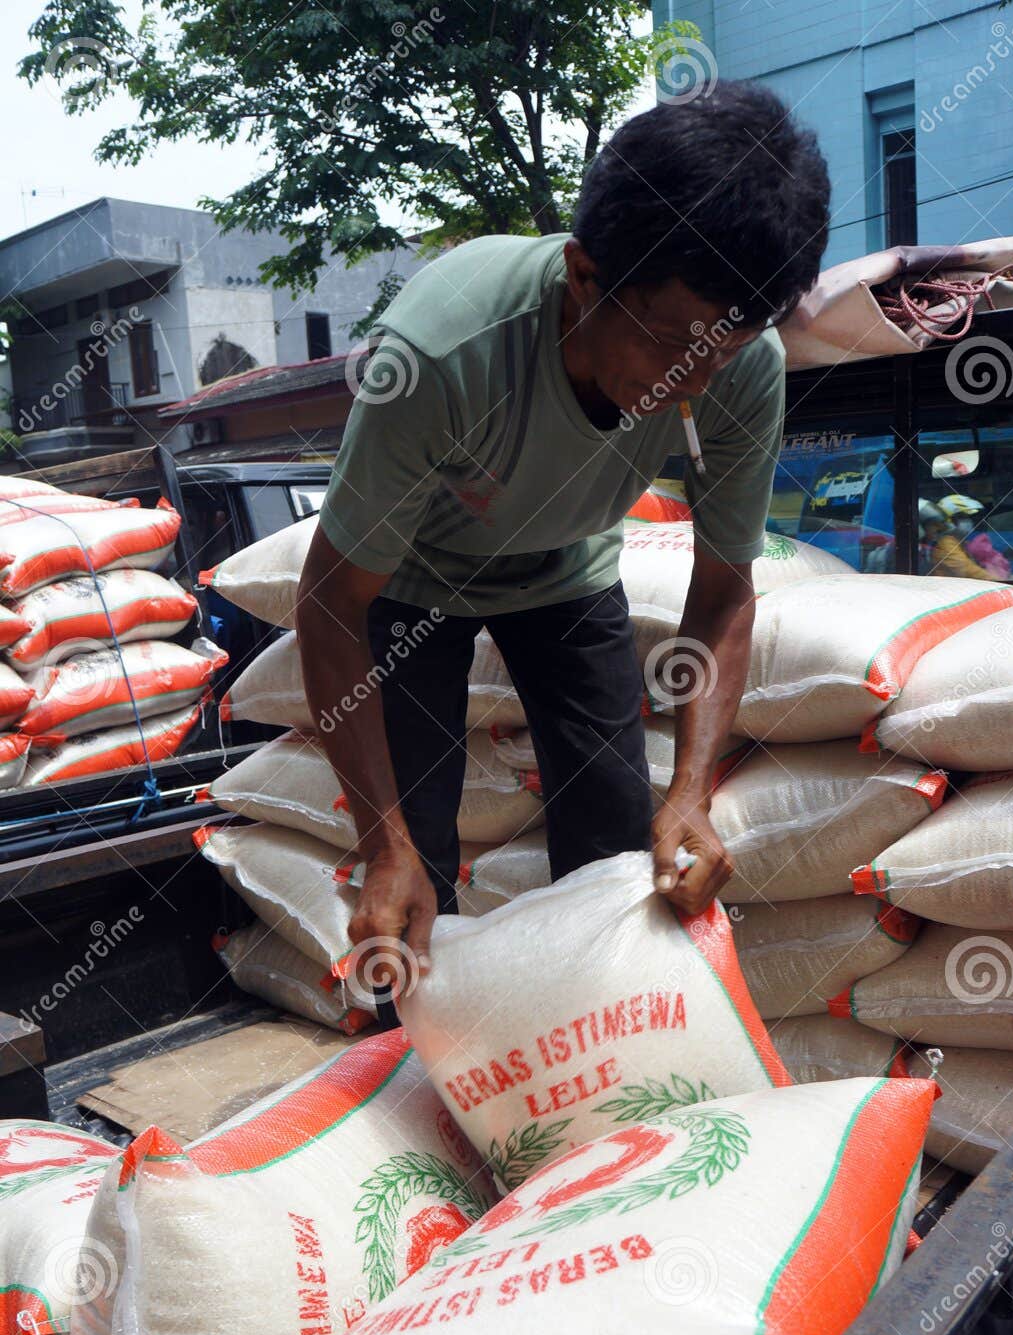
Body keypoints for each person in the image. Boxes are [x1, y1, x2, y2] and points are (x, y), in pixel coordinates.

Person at [296, 80, 831, 1020]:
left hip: (567, 569)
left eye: (723, 349)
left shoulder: (739, 364)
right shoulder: (441, 351)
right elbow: (331, 603)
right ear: (584, 276)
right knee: (410, 871)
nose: (691, 382)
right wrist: (383, 845)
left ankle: (599, 1069)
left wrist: (691, 793)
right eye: (670, 342)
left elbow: (723, 588)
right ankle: (406, 1066)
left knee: (619, 854)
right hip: (410, 580)